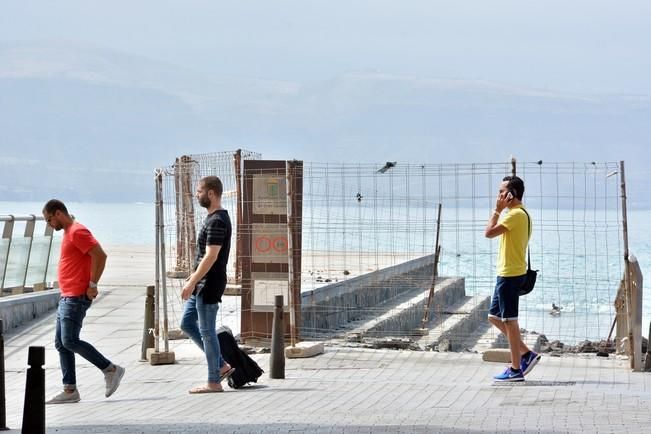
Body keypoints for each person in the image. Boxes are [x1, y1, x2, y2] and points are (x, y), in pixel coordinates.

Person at [42, 199, 125, 403]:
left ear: (58, 213)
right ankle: (70, 391)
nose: (49, 225)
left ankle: (111, 369)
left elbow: (100, 256)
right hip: (66, 296)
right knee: (61, 344)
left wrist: (93, 284)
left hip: (76, 297)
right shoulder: (69, 232)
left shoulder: (77, 231)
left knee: (70, 340)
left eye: (49, 220)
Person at [180, 176, 234, 393]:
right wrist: (193, 278)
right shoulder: (212, 218)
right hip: (201, 283)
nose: (197, 194)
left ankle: (214, 381)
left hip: (208, 284)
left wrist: (192, 281)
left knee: (208, 332)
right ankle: (220, 365)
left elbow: (211, 256)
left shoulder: (217, 221)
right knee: (186, 323)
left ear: (211, 193)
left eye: (200, 190)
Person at [484, 176, 541, 382]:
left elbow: (488, 233)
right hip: (507, 272)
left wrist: (497, 210)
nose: (498, 196)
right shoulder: (519, 214)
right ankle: (526, 353)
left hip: (510, 274)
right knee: (494, 317)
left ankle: (516, 369)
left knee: (510, 321)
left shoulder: (515, 215)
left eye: (502, 192)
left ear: (511, 194)